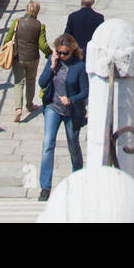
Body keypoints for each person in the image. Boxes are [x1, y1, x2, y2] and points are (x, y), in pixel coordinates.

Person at [37, 33, 88, 201]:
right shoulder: (54, 61)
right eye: (59, 52)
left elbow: (85, 91)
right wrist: (52, 66)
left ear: (73, 51)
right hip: (53, 107)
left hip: (71, 111)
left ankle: (78, 179)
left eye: (65, 53)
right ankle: (45, 186)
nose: (62, 56)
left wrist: (71, 99)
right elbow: (42, 83)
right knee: (47, 143)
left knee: (73, 144)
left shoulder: (79, 66)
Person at [1, 1, 50, 123]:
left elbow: (7, 39)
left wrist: (6, 51)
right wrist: (50, 53)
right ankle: (29, 105)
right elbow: (42, 45)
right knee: (30, 81)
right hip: (33, 57)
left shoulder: (16, 22)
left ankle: (18, 109)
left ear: (26, 9)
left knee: (18, 82)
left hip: (18, 57)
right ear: (37, 11)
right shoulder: (40, 25)